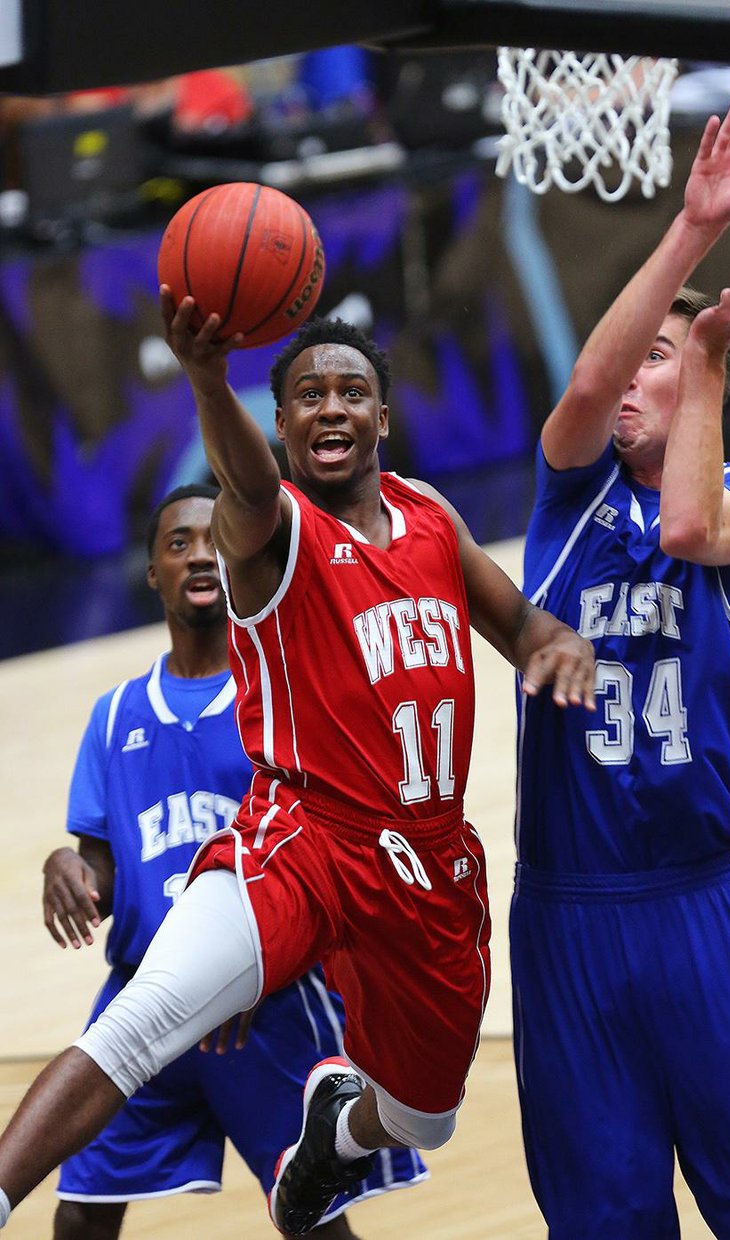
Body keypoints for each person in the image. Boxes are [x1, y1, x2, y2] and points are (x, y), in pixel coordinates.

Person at [0, 307, 595, 1235]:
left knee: (425, 1118)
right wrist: (206, 379)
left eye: (351, 392)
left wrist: (559, 647)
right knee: (140, 1020)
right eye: (306, 395)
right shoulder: (270, 528)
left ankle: (338, 1129)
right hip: (302, 837)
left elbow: (520, 626)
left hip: (428, 865)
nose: (330, 409)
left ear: (382, 418)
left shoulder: (431, 517)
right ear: (278, 424)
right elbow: (241, 481)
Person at [513, 95, 730, 1238]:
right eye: (628, 352)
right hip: (570, 909)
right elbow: (586, 388)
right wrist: (689, 230)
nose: (630, 376)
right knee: (602, 1217)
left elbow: (684, 527)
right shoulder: (564, 499)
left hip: (700, 897)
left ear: (700, 387)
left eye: (660, 360)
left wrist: (715, 357)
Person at [42, 482, 426, 1240]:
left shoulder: (286, 696)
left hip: (265, 1006)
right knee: (82, 1212)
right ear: (151, 572)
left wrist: (264, 958)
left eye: (213, 537)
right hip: (145, 994)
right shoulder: (115, 715)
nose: (199, 554)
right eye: (178, 543)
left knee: (313, 1219)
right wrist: (69, 866)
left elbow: (339, 852)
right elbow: (106, 868)